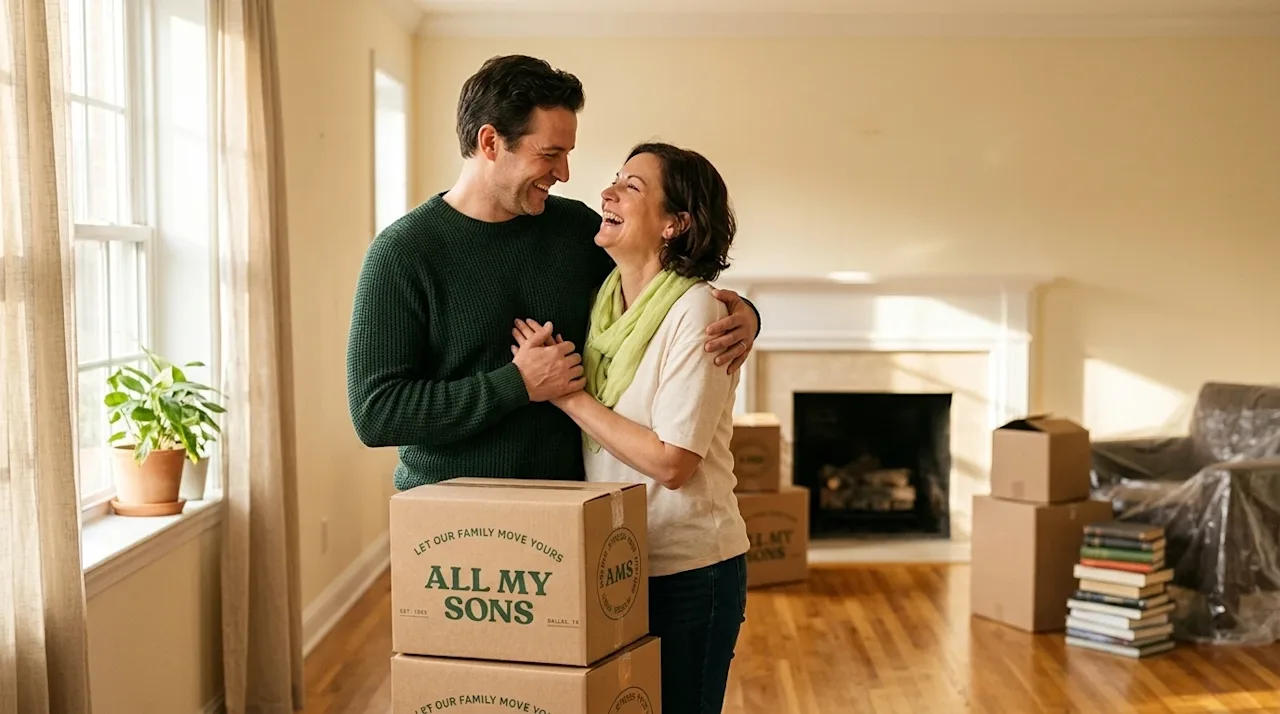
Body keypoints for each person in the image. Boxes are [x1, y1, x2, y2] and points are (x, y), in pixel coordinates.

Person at [344, 54, 760, 490]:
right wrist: (516, 383)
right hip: (450, 515)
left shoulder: (577, 231)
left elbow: (661, 290)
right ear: (490, 143)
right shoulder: (403, 254)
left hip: (573, 510)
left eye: (567, 154)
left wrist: (745, 315)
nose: (563, 173)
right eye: (550, 154)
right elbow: (376, 413)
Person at [512, 143, 748, 714]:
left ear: (675, 223)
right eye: (615, 180)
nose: (607, 192)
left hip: (691, 569)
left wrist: (569, 396)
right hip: (618, 561)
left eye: (633, 186)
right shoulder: (604, 306)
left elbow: (673, 462)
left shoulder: (697, 312)